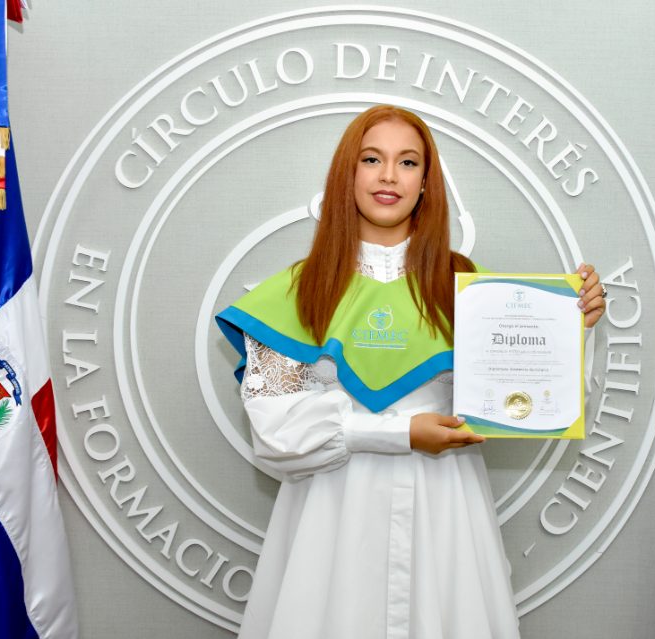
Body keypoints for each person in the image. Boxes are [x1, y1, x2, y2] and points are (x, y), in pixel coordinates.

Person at [216, 105, 606, 639]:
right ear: (346, 174)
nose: (388, 176)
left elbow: (526, 400)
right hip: (331, 512)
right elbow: (274, 433)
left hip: (444, 506)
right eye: (371, 159)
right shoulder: (298, 291)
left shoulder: (471, 288)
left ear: (426, 182)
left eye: (407, 162)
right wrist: (401, 433)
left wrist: (568, 326)